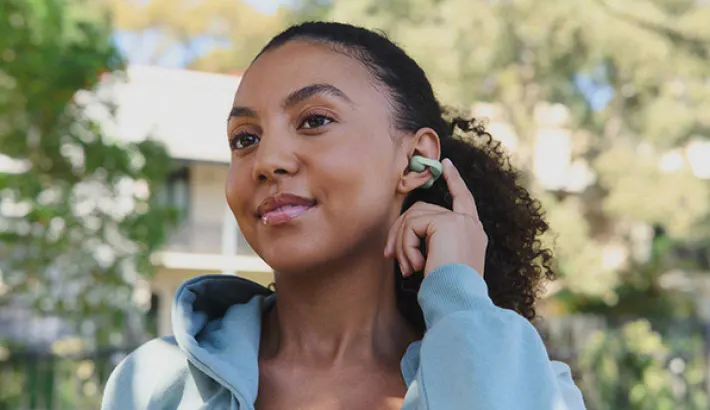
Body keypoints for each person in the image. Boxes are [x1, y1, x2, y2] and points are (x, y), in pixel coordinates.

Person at [101, 21, 586, 410]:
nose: (267, 161)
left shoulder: (536, 388)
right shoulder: (156, 384)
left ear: (416, 160)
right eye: (245, 138)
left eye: (315, 121)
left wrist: (459, 301)